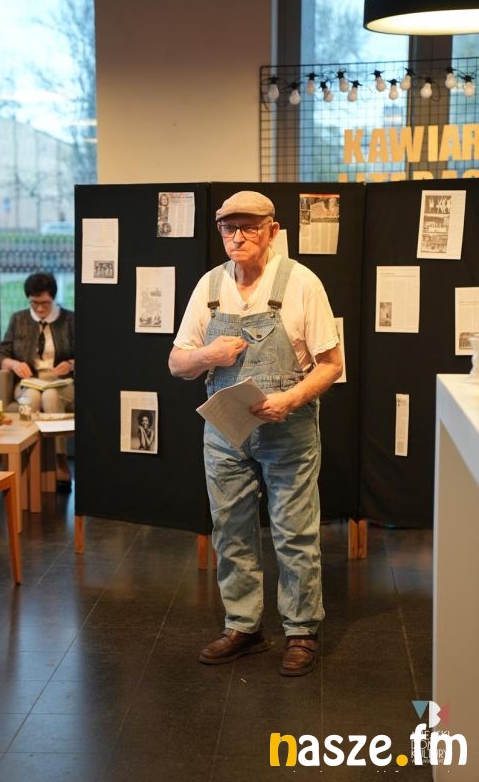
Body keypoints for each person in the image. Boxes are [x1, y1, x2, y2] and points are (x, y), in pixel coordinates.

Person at [168, 191, 342, 676]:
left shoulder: (301, 282)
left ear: (272, 231)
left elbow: (331, 364)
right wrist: (208, 356)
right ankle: (244, 626)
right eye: (229, 228)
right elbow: (177, 362)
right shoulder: (209, 286)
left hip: (287, 427)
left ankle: (301, 630)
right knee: (230, 529)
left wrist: (291, 399)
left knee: (294, 532)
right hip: (225, 431)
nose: (238, 237)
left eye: (249, 227)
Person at [0, 272, 75, 491]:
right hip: (29, 382)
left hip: (62, 382)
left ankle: (58, 460)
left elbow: (88, 354)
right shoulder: (18, 319)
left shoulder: (69, 319)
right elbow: (1, 355)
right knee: (30, 398)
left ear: (53, 298)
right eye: (34, 303)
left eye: (45, 303)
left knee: (50, 395)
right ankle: (28, 460)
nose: (39, 308)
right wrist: (14, 364)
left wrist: (70, 364)